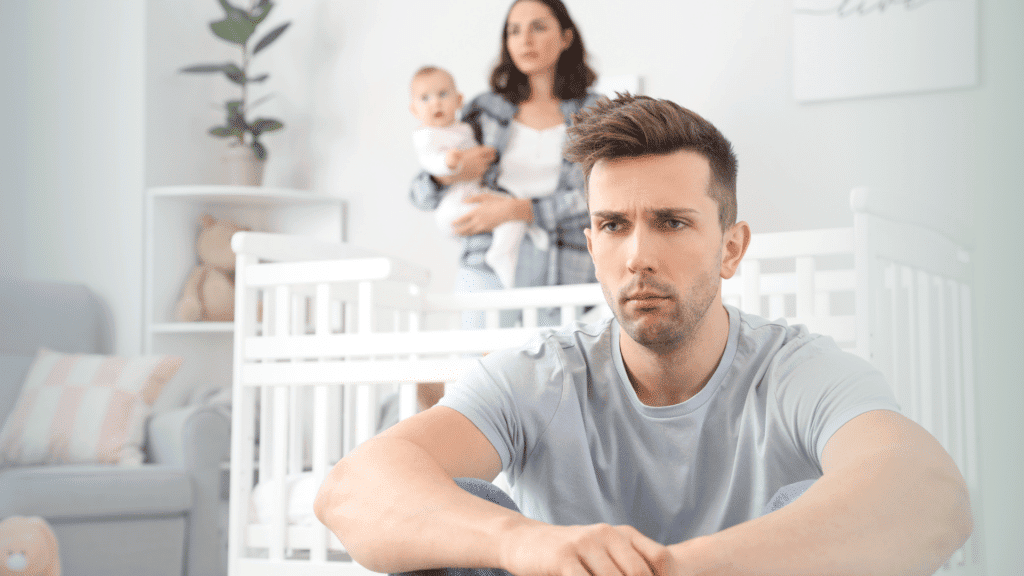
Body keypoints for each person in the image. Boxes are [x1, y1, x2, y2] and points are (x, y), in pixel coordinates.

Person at [316, 94, 974, 576]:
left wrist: (681, 568)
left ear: (731, 248)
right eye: (612, 226)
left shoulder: (800, 369)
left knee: (818, 506)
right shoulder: (537, 374)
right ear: (592, 242)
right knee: (461, 512)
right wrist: (522, 542)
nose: (637, 255)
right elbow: (351, 489)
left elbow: (931, 494)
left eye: (672, 222)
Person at [408, 0, 600, 317]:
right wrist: (449, 174)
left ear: (566, 37)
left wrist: (520, 210)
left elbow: (602, 200)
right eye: (514, 31)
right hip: (485, 267)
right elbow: (420, 194)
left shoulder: (596, 112)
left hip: (567, 271)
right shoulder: (483, 110)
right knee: (483, 364)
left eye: (538, 27)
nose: (525, 40)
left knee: (554, 365)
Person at [409, 65, 525, 290]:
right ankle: (499, 255)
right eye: (425, 98)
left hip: (471, 194)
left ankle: (500, 254)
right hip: (453, 205)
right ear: (414, 110)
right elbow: (426, 168)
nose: (436, 103)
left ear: (458, 99)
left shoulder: (462, 127)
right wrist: (448, 165)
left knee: (512, 218)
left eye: (443, 94)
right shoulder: (426, 135)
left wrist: (484, 155)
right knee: (509, 219)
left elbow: (474, 152)